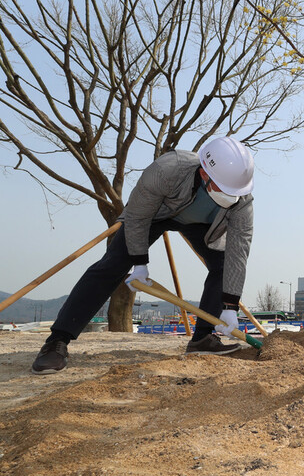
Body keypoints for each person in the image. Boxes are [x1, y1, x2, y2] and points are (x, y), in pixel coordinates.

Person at [31, 136, 256, 374]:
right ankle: (57, 341)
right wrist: (140, 262)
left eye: (235, 192)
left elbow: (238, 253)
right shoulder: (167, 169)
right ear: (204, 174)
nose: (230, 196)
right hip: (153, 215)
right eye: (223, 189)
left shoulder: (242, 202)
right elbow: (137, 216)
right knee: (113, 264)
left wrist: (230, 305)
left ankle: (203, 338)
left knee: (222, 266)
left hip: (202, 226)